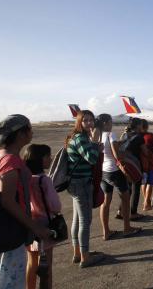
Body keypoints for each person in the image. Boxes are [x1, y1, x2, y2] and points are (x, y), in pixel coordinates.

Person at [0, 114, 51, 289]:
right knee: (9, 280)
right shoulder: (10, 161)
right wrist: (35, 227)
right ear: (20, 134)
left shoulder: (5, 155)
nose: (32, 132)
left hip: (4, 228)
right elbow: (8, 201)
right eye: (29, 128)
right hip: (9, 230)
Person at [65, 110, 104, 268]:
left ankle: (77, 253)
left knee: (77, 220)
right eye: (85, 120)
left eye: (91, 120)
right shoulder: (81, 138)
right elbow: (92, 158)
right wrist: (95, 143)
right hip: (81, 183)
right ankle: (85, 257)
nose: (89, 123)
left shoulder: (78, 137)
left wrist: (95, 145)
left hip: (76, 183)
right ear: (79, 122)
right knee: (85, 221)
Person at [23, 144, 61, 289]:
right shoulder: (44, 180)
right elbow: (55, 206)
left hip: (29, 224)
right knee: (46, 266)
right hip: (45, 225)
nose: (50, 159)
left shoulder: (26, 178)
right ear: (40, 159)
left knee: (32, 263)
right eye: (47, 156)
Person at [97, 114, 139, 241]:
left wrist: (122, 141)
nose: (112, 124)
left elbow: (107, 149)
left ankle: (106, 232)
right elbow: (117, 155)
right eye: (110, 122)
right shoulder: (111, 134)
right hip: (114, 171)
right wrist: (124, 157)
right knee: (125, 198)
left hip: (103, 172)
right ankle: (127, 228)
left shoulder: (97, 136)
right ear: (105, 123)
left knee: (105, 202)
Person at [120, 117, 149, 221]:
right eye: (141, 124)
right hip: (135, 164)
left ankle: (121, 210)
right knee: (136, 188)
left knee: (126, 189)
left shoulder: (125, 134)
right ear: (137, 125)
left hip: (124, 164)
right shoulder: (139, 137)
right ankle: (133, 212)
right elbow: (145, 152)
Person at [140, 119, 153, 211]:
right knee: (150, 183)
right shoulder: (150, 136)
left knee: (143, 182)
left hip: (139, 163)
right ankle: (147, 203)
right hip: (150, 162)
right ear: (146, 126)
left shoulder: (137, 136)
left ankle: (145, 200)